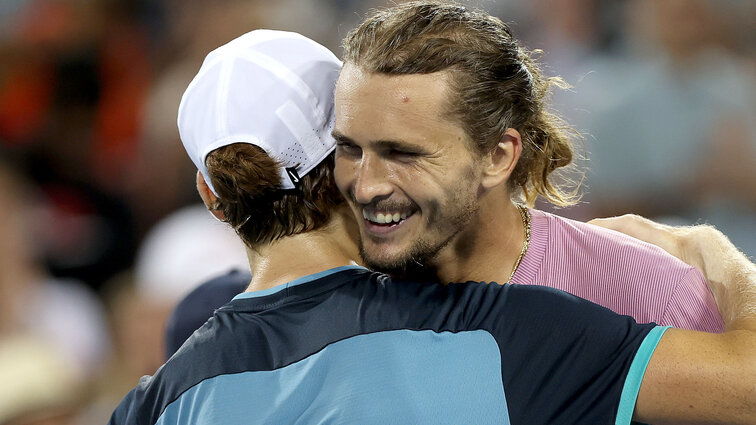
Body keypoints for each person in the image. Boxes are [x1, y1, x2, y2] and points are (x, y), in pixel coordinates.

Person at [109, 28, 756, 425]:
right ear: (350, 160)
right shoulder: (504, 332)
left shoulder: (157, 400)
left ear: (213, 198)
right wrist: (712, 251)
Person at [331, 1, 722, 331]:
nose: (365, 187)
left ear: (498, 157)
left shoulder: (644, 288)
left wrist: (715, 254)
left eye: (403, 154)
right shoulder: (326, 300)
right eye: (349, 149)